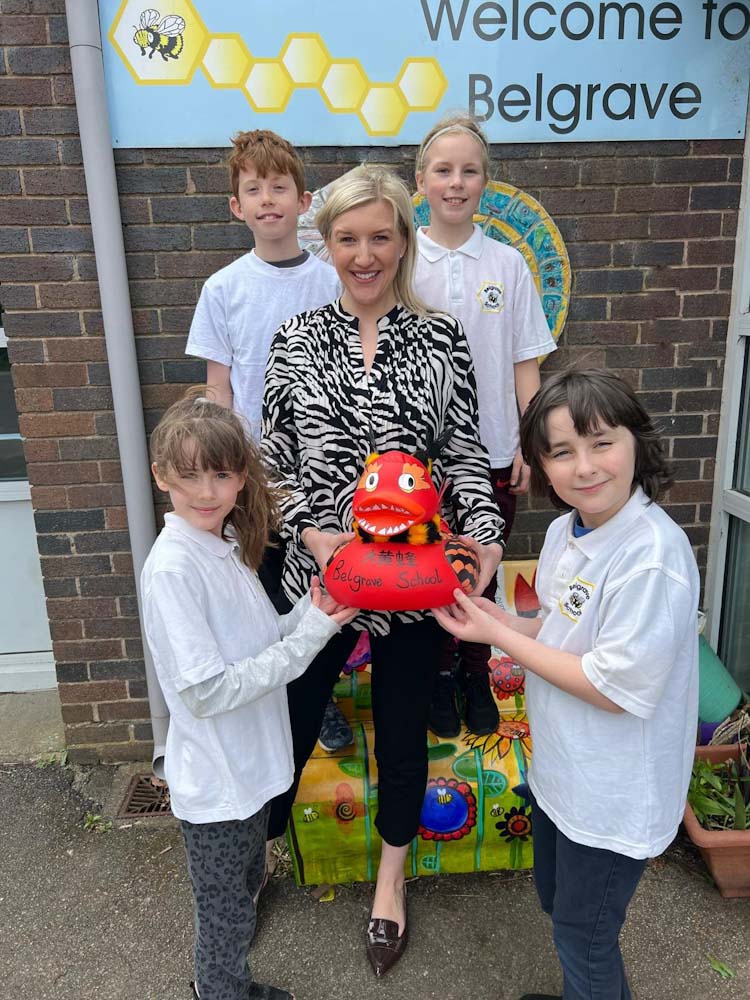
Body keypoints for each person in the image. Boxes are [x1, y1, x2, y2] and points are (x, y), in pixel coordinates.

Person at [261, 164, 505, 977]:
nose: (365, 255)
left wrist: (487, 538)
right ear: (325, 243)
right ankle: (257, 861)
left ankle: (390, 888)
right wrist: (318, 536)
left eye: (380, 236)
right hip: (322, 587)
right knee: (288, 724)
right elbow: (271, 463)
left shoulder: (440, 339)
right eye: (347, 238)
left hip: (411, 592)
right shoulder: (297, 341)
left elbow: (465, 451)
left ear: (403, 239)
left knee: (402, 735)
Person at [432, 369, 699, 1000]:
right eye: (561, 451)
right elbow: (561, 626)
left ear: (636, 441)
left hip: (613, 795)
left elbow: (612, 685)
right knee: (558, 905)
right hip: (563, 773)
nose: (585, 467)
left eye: (601, 442)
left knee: (586, 936)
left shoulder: (651, 557)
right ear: (540, 467)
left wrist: (500, 640)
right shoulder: (564, 531)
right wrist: (501, 619)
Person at [141, 391, 356, 1000]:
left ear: (241, 477)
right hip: (218, 785)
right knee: (226, 912)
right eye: (189, 476)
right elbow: (208, 690)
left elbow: (256, 642)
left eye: (221, 474)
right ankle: (223, 991)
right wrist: (310, 636)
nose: (207, 491)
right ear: (161, 476)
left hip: (249, 769)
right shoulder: (174, 570)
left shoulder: (224, 548)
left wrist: (307, 614)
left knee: (240, 891)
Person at [184, 128, 352, 755]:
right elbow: (218, 390)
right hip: (254, 479)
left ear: (304, 200)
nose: (267, 199)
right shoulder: (223, 288)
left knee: (324, 589)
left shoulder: (332, 279)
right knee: (267, 592)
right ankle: (278, 701)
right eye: (252, 189)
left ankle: (320, 696)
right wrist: (220, 474)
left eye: (279, 186)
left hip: (325, 471)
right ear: (236, 206)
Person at [414, 112, 557, 738]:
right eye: (442, 170)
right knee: (423, 568)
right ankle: (439, 676)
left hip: (494, 451)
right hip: (416, 460)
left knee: (480, 568)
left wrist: (530, 441)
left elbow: (525, 364)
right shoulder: (401, 261)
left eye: (468, 171)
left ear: (485, 183)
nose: (455, 182)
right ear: (420, 181)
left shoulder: (508, 266)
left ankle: (475, 670)